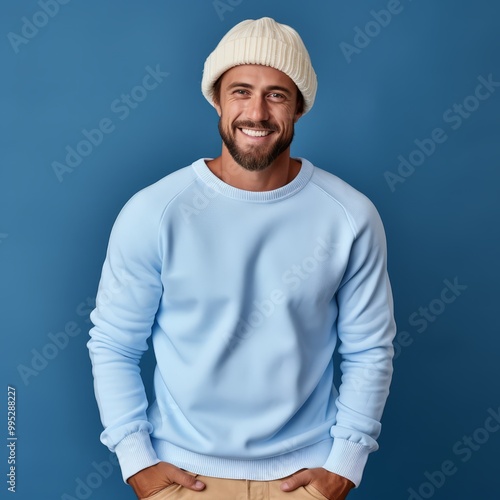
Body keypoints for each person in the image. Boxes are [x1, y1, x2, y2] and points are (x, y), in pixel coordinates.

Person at [87, 17, 396, 500]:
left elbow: (369, 349)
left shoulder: (350, 215)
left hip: (305, 478)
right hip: (183, 480)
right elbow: (113, 343)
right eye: (241, 91)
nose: (257, 111)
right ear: (217, 99)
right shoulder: (154, 211)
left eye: (276, 94)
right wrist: (136, 460)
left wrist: (345, 464)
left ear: (299, 107)